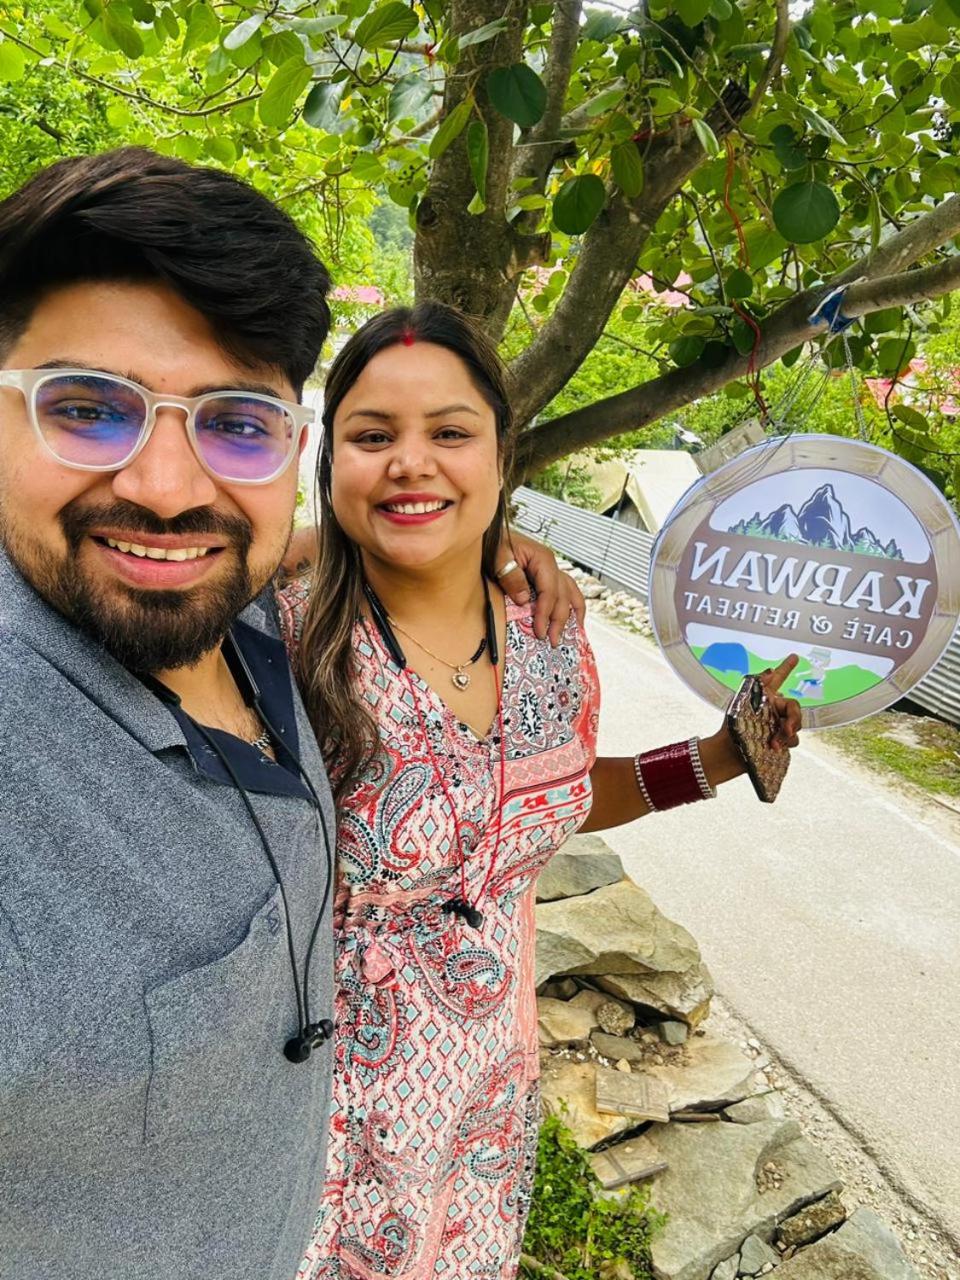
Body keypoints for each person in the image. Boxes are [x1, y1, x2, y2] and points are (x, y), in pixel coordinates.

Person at [0, 149, 578, 1280]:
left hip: (466, 1113)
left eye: (235, 422)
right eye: (87, 409)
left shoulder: (254, 618)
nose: (168, 488)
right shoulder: (299, 623)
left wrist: (468, 540)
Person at [279, 302, 802, 1280]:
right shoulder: (281, 631)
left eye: (450, 432)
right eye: (372, 436)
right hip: (315, 1116)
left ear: (501, 451)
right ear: (327, 456)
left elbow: (535, 802)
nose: (411, 462)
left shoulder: (547, 629)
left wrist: (717, 758)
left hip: (484, 1098)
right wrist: (316, 542)